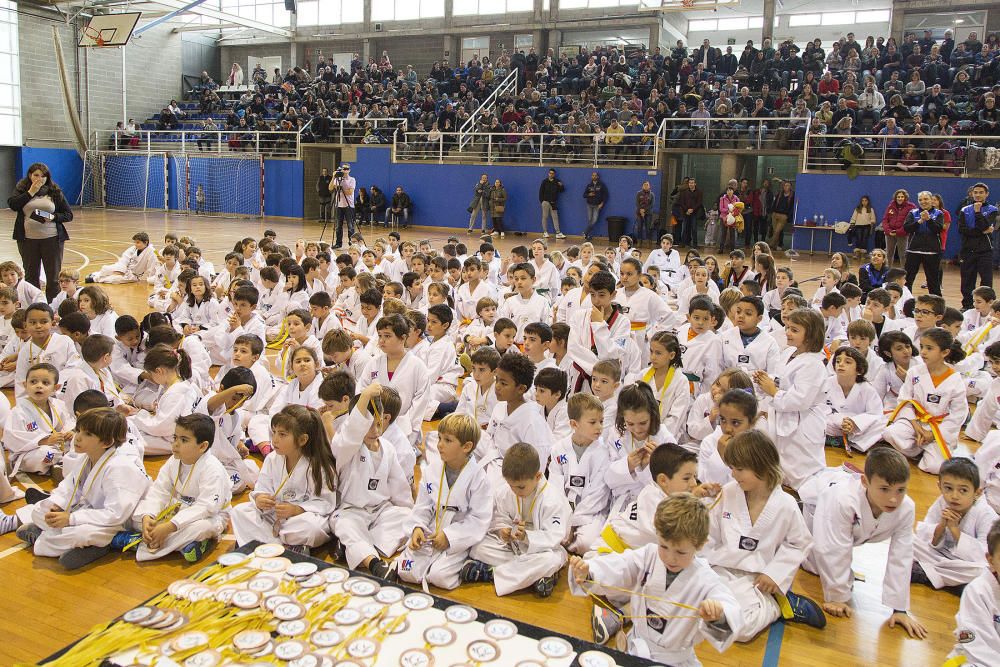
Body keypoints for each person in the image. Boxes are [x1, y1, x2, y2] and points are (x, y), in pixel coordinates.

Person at [568, 493, 743, 664]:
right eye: (664, 546)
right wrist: (588, 571)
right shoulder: (649, 555)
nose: (670, 557)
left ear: (700, 544)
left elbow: (729, 604)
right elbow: (619, 566)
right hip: (635, 647)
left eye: (681, 552)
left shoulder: (705, 579)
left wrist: (718, 613)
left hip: (673, 661)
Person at [463, 441, 570, 597]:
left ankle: (491, 573)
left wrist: (527, 536)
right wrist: (503, 531)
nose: (515, 491)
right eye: (511, 485)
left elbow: (554, 536)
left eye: (520, 487)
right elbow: (499, 518)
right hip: (514, 548)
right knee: (477, 547)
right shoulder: (506, 491)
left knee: (552, 559)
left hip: (541, 550)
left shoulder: (552, 499)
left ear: (538, 476)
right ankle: (538, 576)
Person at [7, 162, 74, 302]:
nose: (40, 178)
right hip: (27, 240)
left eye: (43, 176)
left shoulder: (54, 191)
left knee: (53, 277)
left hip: (52, 239)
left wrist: (53, 217)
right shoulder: (22, 189)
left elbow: (68, 214)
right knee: (31, 275)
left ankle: (52, 306)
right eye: (36, 175)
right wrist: (30, 192)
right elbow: (13, 204)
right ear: (30, 175)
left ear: (47, 177)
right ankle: (33, 305)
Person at [958, 182, 997, 310]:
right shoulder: (964, 210)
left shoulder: (992, 210)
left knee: (986, 280)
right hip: (968, 251)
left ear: (987, 194)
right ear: (971, 194)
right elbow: (962, 230)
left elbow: (986, 226)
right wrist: (981, 232)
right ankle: (967, 306)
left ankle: (985, 306)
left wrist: (977, 212)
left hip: (985, 251)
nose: (978, 195)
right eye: (976, 192)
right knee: (967, 280)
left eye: (981, 192)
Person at [903, 190, 945, 296]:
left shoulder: (939, 213)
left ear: (932, 200)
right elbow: (907, 228)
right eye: (920, 199)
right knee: (908, 279)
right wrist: (919, 222)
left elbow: (938, 229)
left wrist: (929, 220)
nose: (923, 202)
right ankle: (905, 302)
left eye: (926, 199)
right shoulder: (913, 213)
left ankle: (936, 304)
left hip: (932, 251)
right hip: (914, 250)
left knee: (933, 280)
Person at [882, 189, 916, 266]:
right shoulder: (890, 206)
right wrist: (888, 230)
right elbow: (885, 219)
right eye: (898, 197)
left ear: (905, 198)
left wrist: (898, 232)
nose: (900, 198)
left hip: (903, 234)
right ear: (895, 197)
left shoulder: (911, 207)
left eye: (902, 197)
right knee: (888, 254)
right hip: (889, 234)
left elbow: (910, 222)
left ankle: (904, 272)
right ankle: (887, 271)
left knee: (903, 254)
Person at [328, 164, 357, 249]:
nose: (345, 170)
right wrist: (333, 177)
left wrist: (341, 188)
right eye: (343, 169)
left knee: (350, 226)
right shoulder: (337, 179)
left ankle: (352, 243)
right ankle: (338, 243)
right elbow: (330, 188)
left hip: (349, 205)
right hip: (339, 205)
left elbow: (350, 192)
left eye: (346, 169)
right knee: (338, 226)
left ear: (349, 170)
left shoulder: (352, 179)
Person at [538, 169, 566, 239]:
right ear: (548, 174)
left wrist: (561, 186)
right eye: (550, 173)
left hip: (553, 202)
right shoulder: (544, 182)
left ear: (554, 174)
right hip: (546, 202)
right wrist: (542, 201)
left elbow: (562, 190)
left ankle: (558, 233)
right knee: (545, 217)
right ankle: (545, 232)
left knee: (555, 217)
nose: (551, 174)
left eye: (553, 173)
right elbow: (540, 192)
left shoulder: (557, 181)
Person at [677, 176, 704, 248]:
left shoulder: (699, 192)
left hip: (694, 213)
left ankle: (695, 244)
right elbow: (681, 202)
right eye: (689, 183)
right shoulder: (684, 192)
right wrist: (687, 210)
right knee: (684, 228)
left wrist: (692, 209)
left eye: (692, 183)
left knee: (694, 228)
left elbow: (699, 202)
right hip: (686, 213)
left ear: (695, 184)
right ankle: (682, 243)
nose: (691, 184)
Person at [583, 171, 609, 242]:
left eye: (595, 175)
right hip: (589, 205)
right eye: (593, 175)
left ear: (598, 177)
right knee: (590, 220)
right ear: (591, 177)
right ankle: (587, 235)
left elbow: (606, 195)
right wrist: (589, 194)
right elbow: (584, 195)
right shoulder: (589, 185)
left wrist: (602, 203)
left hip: (597, 205)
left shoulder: (601, 185)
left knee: (594, 220)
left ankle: (585, 232)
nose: (594, 176)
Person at [769, 180, 794, 251]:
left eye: (788, 185)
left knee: (777, 231)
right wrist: (772, 212)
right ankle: (775, 246)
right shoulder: (780, 194)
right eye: (785, 185)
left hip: (783, 216)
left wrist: (788, 216)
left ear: (790, 187)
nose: (786, 187)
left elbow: (792, 207)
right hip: (775, 214)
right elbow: (774, 203)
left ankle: (770, 245)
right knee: (775, 231)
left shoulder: (792, 195)